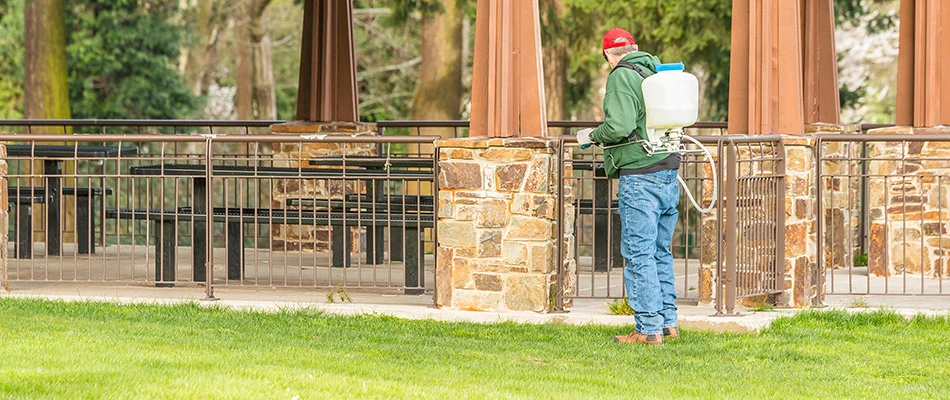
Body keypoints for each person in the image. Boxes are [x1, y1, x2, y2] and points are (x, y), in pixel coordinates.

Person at [576, 28, 681, 346]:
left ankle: (647, 329)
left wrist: (592, 136)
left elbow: (619, 126)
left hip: (640, 174)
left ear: (609, 54)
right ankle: (668, 323)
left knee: (638, 253)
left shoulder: (622, 75)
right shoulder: (654, 72)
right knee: (660, 252)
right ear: (634, 48)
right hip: (667, 171)